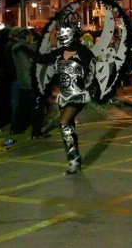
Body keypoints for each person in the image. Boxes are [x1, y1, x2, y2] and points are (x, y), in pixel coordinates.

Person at [30, 18, 96, 174]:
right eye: (61, 35)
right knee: (68, 129)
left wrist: (87, 87)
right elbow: (42, 59)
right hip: (64, 95)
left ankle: (74, 161)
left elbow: (91, 73)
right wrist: (24, 49)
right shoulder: (60, 52)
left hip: (78, 95)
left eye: (65, 34)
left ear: (73, 35)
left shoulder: (84, 52)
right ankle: (74, 161)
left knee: (63, 123)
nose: (62, 37)